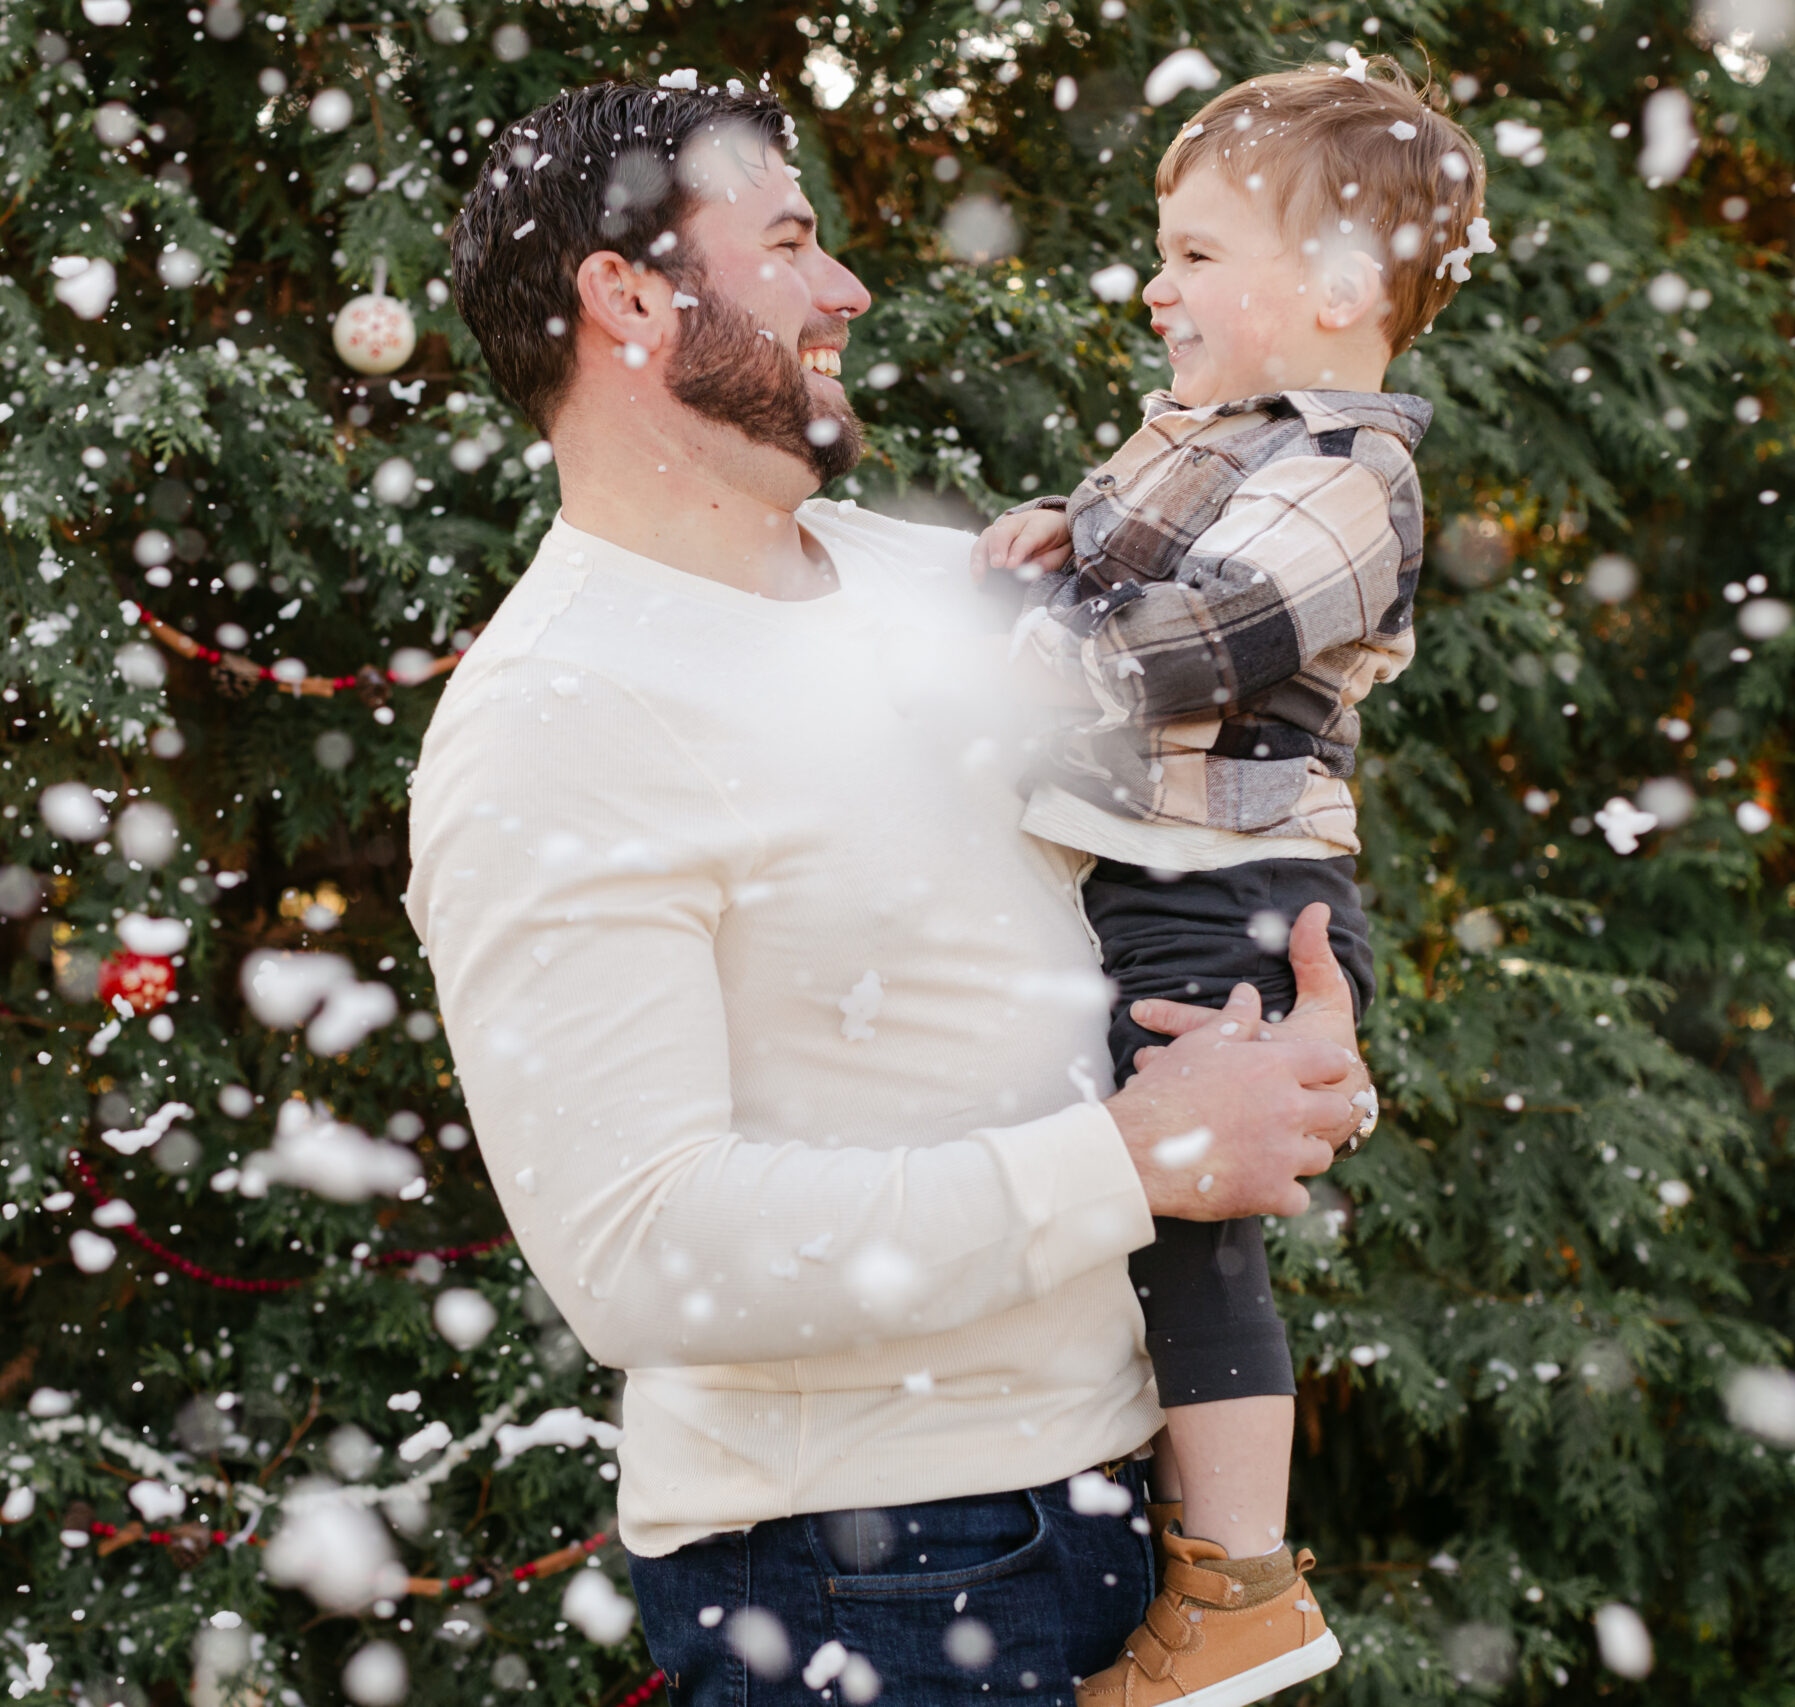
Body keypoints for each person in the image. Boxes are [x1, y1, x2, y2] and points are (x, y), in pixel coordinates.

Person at [408, 78, 1368, 1706]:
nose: (847, 288)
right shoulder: (551, 721)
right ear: (627, 297)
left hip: (1131, 1511)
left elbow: (1189, 852)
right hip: (863, 1577)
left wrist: (1281, 1048)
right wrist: (1135, 1157)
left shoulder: (948, 582)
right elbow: (645, 1255)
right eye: (789, 243)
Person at [970, 55, 1489, 1707]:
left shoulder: (1349, 477)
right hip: (1174, 874)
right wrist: (1059, 529)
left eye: (1198, 254)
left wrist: (994, 659)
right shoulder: (1225, 443)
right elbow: (1149, 564)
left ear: (1335, 287)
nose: (1157, 285)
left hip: (1238, 888)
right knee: (1138, 1203)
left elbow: (1187, 649)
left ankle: (1241, 1585)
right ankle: (1194, 1553)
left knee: (1192, 1229)